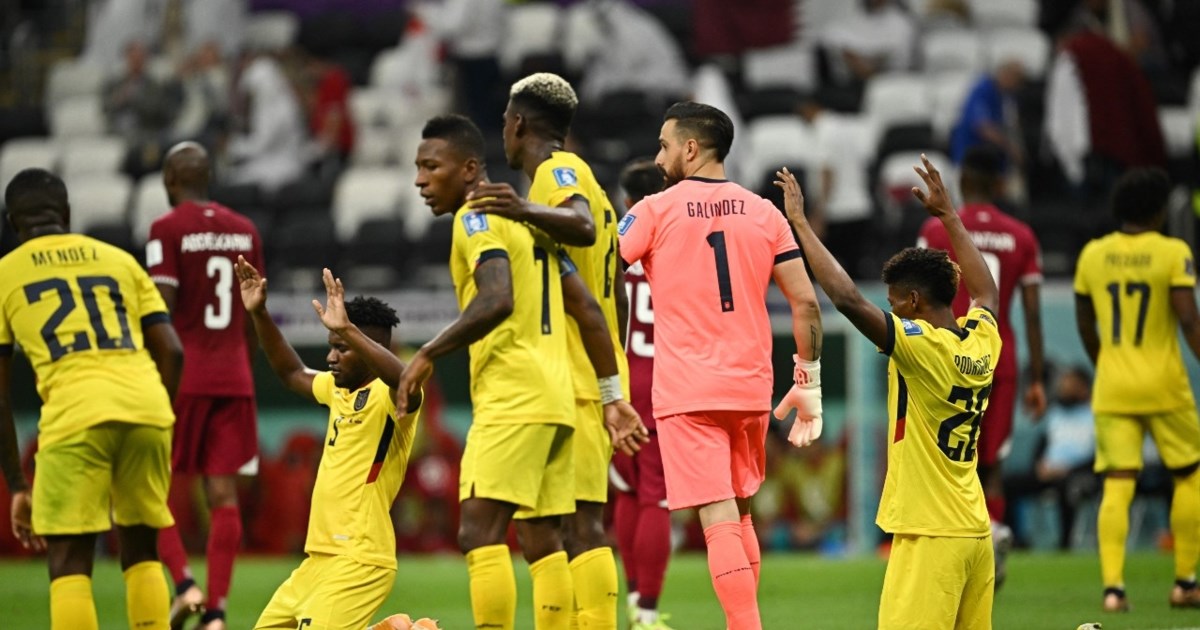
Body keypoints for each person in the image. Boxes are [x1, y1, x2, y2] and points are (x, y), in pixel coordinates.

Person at [402, 113, 645, 630]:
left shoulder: (476, 217)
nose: (421, 180)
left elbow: (496, 297)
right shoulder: (533, 223)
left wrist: (427, 353)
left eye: (432, 167)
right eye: (418, 168)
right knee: (544, 535)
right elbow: (588, 309)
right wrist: (611, 394)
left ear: (470, 169)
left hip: (513, 394)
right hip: (560, 396)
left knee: (478, 531)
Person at [617, 101, 824, 629]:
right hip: (751, 387)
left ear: (690, 148)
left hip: (688, 390)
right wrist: (809, 379)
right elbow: (806, 302)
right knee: (741, 508)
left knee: (717, 515)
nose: (658, 157)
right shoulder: (765, 212)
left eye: (664, 145)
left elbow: (602, 271)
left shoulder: (653, 209)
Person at [782, 154, 1001, 629]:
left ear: (914, 301)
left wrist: (800, 224)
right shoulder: (982, 340)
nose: (892, 310)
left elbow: (846, 299)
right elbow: (986, 293)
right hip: (975, 530)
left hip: (931, 533)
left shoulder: (923, 347)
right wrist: (949, 215)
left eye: (895, 302)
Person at [467, 72, 630, 628]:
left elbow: (581, 226)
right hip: (573, 375)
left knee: (581, 527)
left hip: (578, 377)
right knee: (542, 530)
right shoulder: (586, 185)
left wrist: (519, 209)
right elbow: (616, 290)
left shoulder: (561, 173)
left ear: (518, 124)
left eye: (504, 125)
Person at [0, 168, 184, 630]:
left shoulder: (5, 274)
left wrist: (18, 485)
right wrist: (158, 414)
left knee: (69, 561)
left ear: (12, 223)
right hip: (146, 404)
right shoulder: (120, 261)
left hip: (75, 414)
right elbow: (173, 350)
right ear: (66, 213)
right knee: (142, 550)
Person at [235, 260, 438, 630]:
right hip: (318, 559)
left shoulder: (391, 398)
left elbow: (406, 378)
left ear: (369, 347)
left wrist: (347, 329)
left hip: (360, 558)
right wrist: (259, 313)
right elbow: (291, 372)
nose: (330, 358)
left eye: (341, 348)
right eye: (331, 347)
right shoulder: (338, 390)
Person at [144, 141, 263, 630]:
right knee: (224, 496)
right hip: (235, 377)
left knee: (147, 485)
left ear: (170, 180)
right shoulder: (245, 230)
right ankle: (216, 613)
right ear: (208, 177)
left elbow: (160, 310)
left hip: (183, 376)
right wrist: (241, 365)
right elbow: (255, 314)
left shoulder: (165, 228)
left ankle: (184, 584)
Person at [917, 145, 1046, 589]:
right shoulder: (1021, 236)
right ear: (999, 184)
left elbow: (915, 295)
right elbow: (1032, 312)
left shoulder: (935, 229)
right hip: (998, 359)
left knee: (948, 460)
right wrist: (1037, 379)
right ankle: (990, 542)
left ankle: (955, 553)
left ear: (962, 181)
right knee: (990, 465)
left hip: (946, 358)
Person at [1073, 167, 1200, 611]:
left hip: (1114, 385)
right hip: (1165, 385)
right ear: (1160, 209)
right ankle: (1185, 583)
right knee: (1189, 475)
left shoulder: (1093, 255)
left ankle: (1113, 590)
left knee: (1117, 483)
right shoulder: (1173, 252)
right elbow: (1188, 319)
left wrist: (1106, 363)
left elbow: (1085, 322)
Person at [608, 158, 673, 629]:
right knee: (656, 497)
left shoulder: (612, 254)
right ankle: (647, 611)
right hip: (662, 384)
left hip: (616, 382)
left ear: (627, 201)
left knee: (627, 491)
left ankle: (634, 599)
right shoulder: (674, 246)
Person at [949, 61, 1026, 169]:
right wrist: (1010, 148)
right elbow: (983, 127)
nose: (1016, 87)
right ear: (1008, 76)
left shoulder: (1003, 96)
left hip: (990, 159)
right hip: (972, 157)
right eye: (1017, 82)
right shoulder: (983, 90)